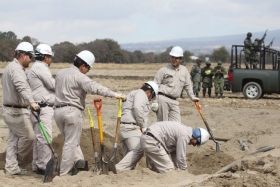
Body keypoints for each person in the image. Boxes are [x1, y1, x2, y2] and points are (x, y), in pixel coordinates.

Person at [54, 50, 126, 176]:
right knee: (70, 143)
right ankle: (64, 174)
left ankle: (79, 162)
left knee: (71, 140)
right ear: (83, 66)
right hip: (71, 111)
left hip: (57, 111)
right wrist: (115, 94)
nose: (87, 72)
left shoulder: (60, 73)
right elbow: (96, 88)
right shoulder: (80, 77)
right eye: (88, 69)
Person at [2, 42, 40, 176]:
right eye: (30, 57)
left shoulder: (9, 67)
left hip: (10, 109)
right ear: (23, 55)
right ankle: (14, 161)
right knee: (29, 137)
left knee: (13, 140)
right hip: (15, 111)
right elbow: (22, 87)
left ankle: (11, 168)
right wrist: (32, 103)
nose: (31, 60)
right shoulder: (16, 70)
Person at [116, 81, 158, 171]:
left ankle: (123, 176)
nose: (150, 100)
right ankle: (117, 169)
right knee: (139, 150)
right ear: (149, 92)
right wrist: (143, 126)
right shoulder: (141, 94)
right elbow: (137, 108)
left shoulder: (132, 93)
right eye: (151, 97)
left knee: (129, 158)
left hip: (123, 128)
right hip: (130, 128)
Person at [27, 44, 55, 175]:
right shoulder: (41, 68)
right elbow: (52, 84)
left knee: (39, 138)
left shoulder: (36, 67)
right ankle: (44, 167)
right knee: (45, 138)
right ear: (44, 57)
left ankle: (37, 165)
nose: (51, 59)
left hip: (37, 107)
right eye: (49, 56)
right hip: (42, 108)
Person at [140, 121, 209, 173]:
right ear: (196, 136)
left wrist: (179, 169)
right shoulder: (185, 136)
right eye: (197, 143)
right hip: (152, 141)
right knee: (169, 169)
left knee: (155, 171)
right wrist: (185, 174)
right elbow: (181, 157)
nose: (194, 145)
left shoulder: (183, 130)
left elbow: (175, 154)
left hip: (148, 139)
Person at [152, 46, 199, 122]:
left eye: (176, 58)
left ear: (180, 59)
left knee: (177, 126)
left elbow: (188, 86)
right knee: (163, 125)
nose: (174, 60)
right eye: (172, 57)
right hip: (162, 99)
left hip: (174, 101)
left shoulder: (184, 70)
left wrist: (192, 97)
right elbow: (154, 86)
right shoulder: (164, 70)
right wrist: (154, 101)